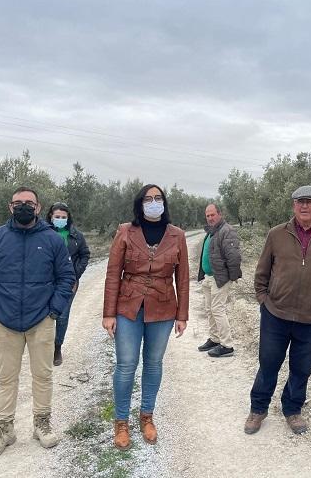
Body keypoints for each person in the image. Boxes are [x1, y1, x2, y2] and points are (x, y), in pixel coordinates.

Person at [0, 187, 75, 459]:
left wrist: (54, 310)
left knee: (43, 375)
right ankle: (4, 429)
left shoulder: (53, 240)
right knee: (6, 378)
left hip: (41, 319)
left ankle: (41, 424)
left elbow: (66, 278)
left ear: (39, 208)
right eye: (18, 203)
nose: (23, 207)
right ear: (9, 207)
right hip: (4, 320)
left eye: (29, 203)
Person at [245, 185, 311, 435]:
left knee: (301, 369)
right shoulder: (276, 234)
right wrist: (264, 301)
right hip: (275, 315)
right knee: (268, 364)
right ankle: (258, 409)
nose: (304, 206)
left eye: (310, 201)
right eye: (299, 201)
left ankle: (292, 409)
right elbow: (262, 274)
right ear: (293, 205)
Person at [103, 184, 189, 450]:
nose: (154, 202)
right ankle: (121, 422)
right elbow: (112, 272)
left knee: (153, 363)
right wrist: (108, 313)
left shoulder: (177, 235)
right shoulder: (126, 232)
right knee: (126, 365)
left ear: (164, 203)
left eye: (158, 198)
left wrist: (182, 314)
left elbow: (183, 278)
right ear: (140, 204)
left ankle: (147, 416)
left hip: (163, 307)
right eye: (149, 199)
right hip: (128, 306)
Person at [46, 202, 90, 366]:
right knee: (45, 315)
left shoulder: (76, 235)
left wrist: (76, 273)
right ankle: (44, 347)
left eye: (63, 217)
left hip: (69, 282)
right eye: (57, 217)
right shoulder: (42, 233)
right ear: (51, 216)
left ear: (68, 218)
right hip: (46, 282)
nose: (60, 219)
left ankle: (57, 347)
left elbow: (85, 254)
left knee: (62, 316)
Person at [197, 203, 242, 357]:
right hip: (209, 277)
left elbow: (234, 256)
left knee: (217, 309)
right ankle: (215, 339)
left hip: (220, 278)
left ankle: (227, 345)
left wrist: (232, 276)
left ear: (219, 214)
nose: (210, 218)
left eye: (212, 215)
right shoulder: (211, 232)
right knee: (209, 309)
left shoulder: (227, 231)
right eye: (207, 215)